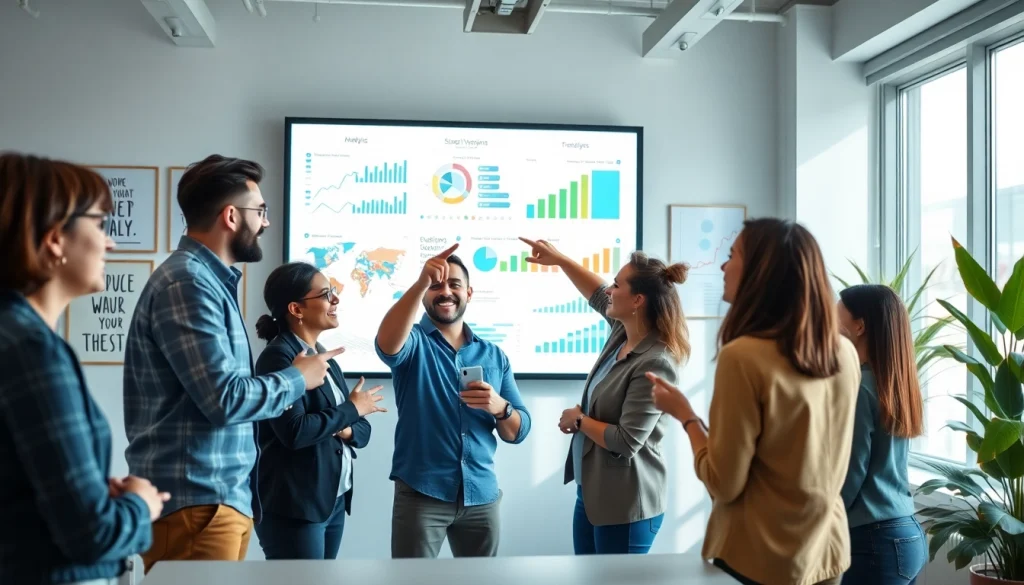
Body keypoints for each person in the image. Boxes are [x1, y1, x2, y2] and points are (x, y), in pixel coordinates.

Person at [122, 155, 340, 573]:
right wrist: (298, 377)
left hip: (215, 502)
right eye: (260, 211)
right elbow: (224, 399)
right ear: (230, 216)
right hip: (196, 502)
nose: (266, 223)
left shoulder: (206, 282)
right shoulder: (188, 283)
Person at [648, 218, 861, 585]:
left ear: (763, 272)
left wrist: (687, 417)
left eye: (733, 255)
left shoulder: (743, 357)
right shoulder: (844, 352)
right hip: (825, 552)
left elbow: (722, 482)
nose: (722, 265)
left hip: (761, 560)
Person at [0, 152, 170, 585]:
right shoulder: (32, 349)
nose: (111, 242)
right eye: (99, 224)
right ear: (56, 238)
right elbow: (91, 534)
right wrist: (139, 504)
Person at [520, 238, 689, 555]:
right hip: (593, 495)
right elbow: (596, 293)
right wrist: (561, 259)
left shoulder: (656, 362)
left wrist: (581, 420)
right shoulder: (622, 334)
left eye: (617, 284)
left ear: (638, 300)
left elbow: (627, 442)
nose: (609, 290)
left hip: (625, 505)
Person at [375, 243, 532, 558]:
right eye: (435, 286)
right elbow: (387, 346)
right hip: (422, 493)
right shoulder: (413, 343)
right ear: (424, 296)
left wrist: (500, 407)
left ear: (469, 294)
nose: (444, 291)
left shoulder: (493, 354)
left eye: (454, 284)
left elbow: (518, 431)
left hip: (481, 495)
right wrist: (420, 281)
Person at [251, 262, 388, 559]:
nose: (336, 299)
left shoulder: (326, 359)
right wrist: (351, 410)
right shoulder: (279, 358)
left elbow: (362, 433)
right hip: (295, 507)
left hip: (331, 500)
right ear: (296, 309)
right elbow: (295, 432)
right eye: (326, 293)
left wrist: (349, 422)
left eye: (334, 291)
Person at [837, 284, 927, 585]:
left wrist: (817, 522)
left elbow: (851, 471)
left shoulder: (859, 387)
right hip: (905, 531)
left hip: (871, 541)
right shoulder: (896, 383)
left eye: (838, 313)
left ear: (859, 326)